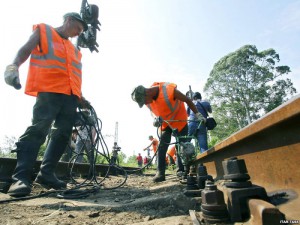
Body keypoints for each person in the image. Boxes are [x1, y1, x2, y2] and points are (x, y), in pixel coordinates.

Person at [4, 12, 88, 197]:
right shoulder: (44, 31)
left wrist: (82, 99)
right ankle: (20, 178)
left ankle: (46, 174)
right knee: (38, 130)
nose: (78, 33)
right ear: (69, 20)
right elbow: (25, 49)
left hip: (70, 97)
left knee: (63, 134)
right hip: (49, 91)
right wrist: (14, 66)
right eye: (78, 29)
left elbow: (73, 75)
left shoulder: (75, 51)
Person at [131, 82, 205, 182]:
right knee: (162, 146)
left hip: (179, 120)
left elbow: (187, 100)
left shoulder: (168, 90)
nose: (144, 103)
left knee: (180, 146)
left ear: (147, 92)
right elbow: (152, 112)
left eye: (144, 101)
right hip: (165, 123)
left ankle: (181, 171)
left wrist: (197, 114)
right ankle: (160, 173)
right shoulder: (147, 101)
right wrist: (155, 118)